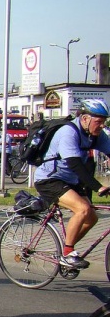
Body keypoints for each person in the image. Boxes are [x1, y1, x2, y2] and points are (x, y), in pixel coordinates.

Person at [33, 99, 110, 269]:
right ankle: (67, 254)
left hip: (70, 180)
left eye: (104, 122)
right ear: (84, 118)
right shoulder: (68, 132)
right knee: (83, 209)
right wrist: (99, 187)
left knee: (92, 218)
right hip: (49, 179)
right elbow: (75, 164)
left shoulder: (96, 135)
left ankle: (67, 248)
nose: (102, 126)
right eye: (98, 121)